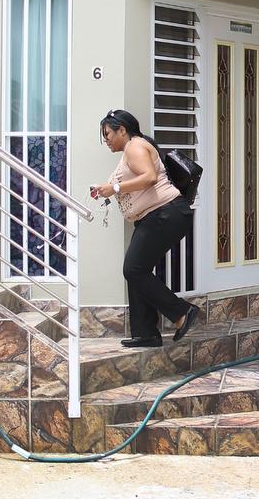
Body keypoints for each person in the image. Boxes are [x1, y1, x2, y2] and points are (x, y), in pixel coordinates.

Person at [91, 109, 200, 348]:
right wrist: (108, 189)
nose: (106, 140)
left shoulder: (134, 146)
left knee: (133, 269)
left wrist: (116, 188)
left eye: (107, 134)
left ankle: (182, 313)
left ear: (122, 130)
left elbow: (149, 177)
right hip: (159, 216)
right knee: (138, 270)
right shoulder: (133, 148)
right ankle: (145, 333)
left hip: (164, 213)